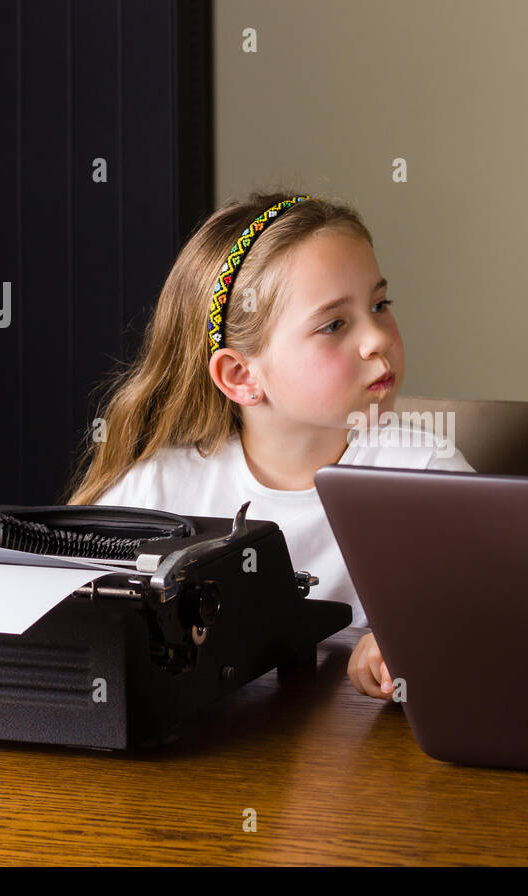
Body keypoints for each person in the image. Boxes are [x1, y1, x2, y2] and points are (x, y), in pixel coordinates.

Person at [65, 192, 472, 700]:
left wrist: (410, 645)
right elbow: (76, 625)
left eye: (380, 306)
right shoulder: (157, 486)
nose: (377, 339)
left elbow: (495, 618)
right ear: (240, 376)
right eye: (334, 325)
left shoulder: (427, 475)